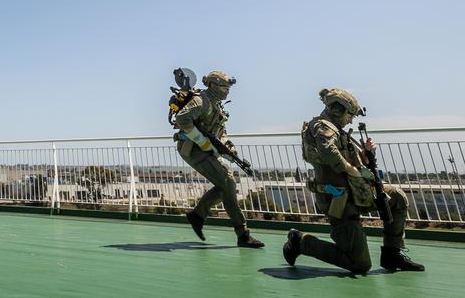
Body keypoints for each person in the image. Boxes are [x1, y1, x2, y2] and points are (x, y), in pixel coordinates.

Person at [283, 88, 424, 274]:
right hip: (340, 201)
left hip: (358, 192)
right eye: (350, 114)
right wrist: (355, 172)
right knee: (360, 265)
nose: (351, 119)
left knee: (397, 197)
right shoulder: (322, 127)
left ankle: (392, 252)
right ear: (337, 110)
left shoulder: (339, 132)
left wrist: (366, 154)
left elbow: (357, 162)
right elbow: (329, 153)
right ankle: (300, 242)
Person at [174, 70, 264, 248]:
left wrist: (230, 151)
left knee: (226, 185)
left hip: (203, 149)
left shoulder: (217, 105)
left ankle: (198, 215)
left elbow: (219, 135)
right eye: (224, 87)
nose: (227, 91)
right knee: (228, 182)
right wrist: (202, 142)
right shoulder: (201, 101)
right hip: (192, 149)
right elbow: (182, 119)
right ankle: (242, 233)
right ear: (213, 86)